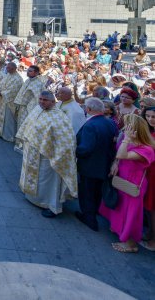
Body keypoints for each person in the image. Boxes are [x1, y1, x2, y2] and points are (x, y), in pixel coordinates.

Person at [16, 90, 78, 217]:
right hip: (32, 152)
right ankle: (32, 196)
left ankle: (52, 206)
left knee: (48, 181)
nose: (41, 102)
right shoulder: (37, 110)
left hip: (47, 156)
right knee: (35, 178)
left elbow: (66, 140)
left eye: (45, 100)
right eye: (40, 99)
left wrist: (58, 156)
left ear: (52, 101)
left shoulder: (59, 117)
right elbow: (28, 125)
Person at [99, 114, 155, 253]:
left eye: (128, 126)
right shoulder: (128, 139)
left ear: (136, 129)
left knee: (130, 213)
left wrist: (126, 140)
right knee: (119, 208)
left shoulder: (146, 149)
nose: (124, 128)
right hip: (122, 178)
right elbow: (118, 156)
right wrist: (115, 164)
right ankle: (119, 230)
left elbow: (122, 155)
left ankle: (131, 244)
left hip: (133, 183)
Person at [75, 97, 118, 231]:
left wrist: (74, 152)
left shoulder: (90, 125)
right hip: (104, 163)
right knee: (97, 191)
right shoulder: (110, 122)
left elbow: (85, 148)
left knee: (87, 192)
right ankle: (94, 212)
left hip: (89, 165)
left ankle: (89, 218)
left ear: (88, 109)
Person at [0, 62, 24, 142]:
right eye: (7, 68)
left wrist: (2, 93)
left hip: (10, 101)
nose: (7, 69)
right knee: (3, 116)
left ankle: (9, 136)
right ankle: (0, 132)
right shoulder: (8, 75)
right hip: (4, 99)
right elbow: (1, 83)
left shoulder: (18, 79)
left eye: (8, 68)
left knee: (9, 118)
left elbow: (13, 91)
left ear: (14, 69)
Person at [14, 65, 45, 138]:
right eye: (28, 70)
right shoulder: (27, 80)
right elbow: (21, 92)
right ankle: (18, 141)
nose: (28, 72)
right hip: (21, 106)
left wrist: (29, 107)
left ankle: (22, 144)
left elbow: (37, 98)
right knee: (20, 123)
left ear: (36, 73)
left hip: (28, 108)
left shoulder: (38, 84)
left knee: (25, 125)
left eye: (30, 71)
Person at [140, 106, 155, 251]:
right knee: (149, 208)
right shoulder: (149, 131)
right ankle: (150, 233)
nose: (150, 119)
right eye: (148, 116)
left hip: (153, 173)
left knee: (152, 208)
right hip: (148, 172)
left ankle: (153, 241)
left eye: (154, 117)